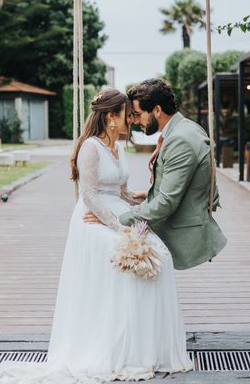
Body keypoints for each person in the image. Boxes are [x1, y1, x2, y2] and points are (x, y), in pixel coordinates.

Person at [0, 88, 193, 384]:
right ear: (110, 118)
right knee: (127, 263)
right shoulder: (90, 148)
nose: (131, 120)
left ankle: (149, 347)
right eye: (126, 115)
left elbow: (120, 190)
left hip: (116, 212)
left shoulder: (118, 148)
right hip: (92, 220)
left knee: (159, 253)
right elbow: (91, 195)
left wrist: (143, 200)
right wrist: (119, 227)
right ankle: (118, 346)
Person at [84, 78, 227, 270]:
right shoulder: (186, 128)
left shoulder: (180, 139)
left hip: (184, 229)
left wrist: (117, 219)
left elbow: (167, 202)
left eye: (137, 114)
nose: (134, 121)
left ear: (157, 110)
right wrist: (151, 195)